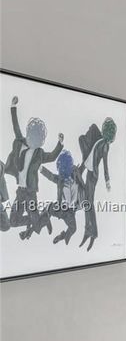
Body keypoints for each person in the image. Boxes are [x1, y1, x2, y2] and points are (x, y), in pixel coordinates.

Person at [4, 96, 64, 239]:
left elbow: (52, 157)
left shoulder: (39, 153)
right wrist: (13, 107)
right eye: (31, 140)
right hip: (20, 192)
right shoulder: (20, 141)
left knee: (36, 225)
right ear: (29, 135)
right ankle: (41, 220)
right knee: (13, 221)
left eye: (36, 143)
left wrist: (60, 144)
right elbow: (15, 125)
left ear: (39, 142)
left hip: (31, 193)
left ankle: (41, 219)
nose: (32, 145)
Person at [77, 117, 116, 251]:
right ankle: (88, 230)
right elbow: (89, 153)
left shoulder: (105, 145)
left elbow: (105, 163)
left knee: (89, 203)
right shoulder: (100, 139)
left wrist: (107, 181)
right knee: (87, 203)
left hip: (93, 175)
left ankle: (93, 232)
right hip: (89, 172)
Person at [41, 150, 81, 245]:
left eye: (65, 166)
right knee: (48, 209)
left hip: (70, 212)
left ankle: (63, 236)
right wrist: (41, 169)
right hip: (60, 209)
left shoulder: (76, 177)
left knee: (73, 228)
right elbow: (50, 176)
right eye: (61, 167)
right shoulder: (60, 179)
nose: (62, 170)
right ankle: (45, 220)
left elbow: (81, 169)